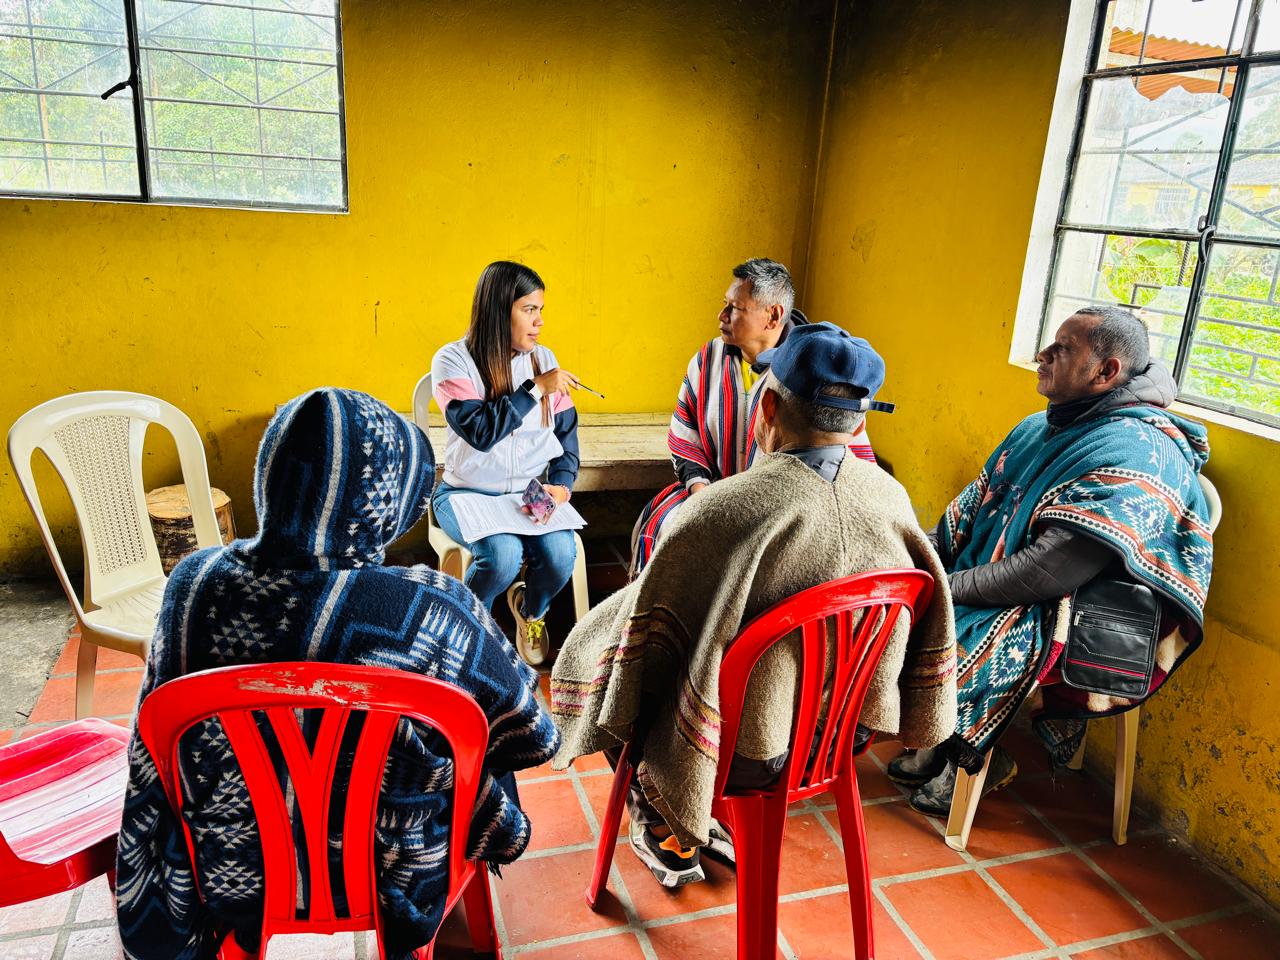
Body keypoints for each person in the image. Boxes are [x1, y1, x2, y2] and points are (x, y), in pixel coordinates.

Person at [115, 388, 560, 960]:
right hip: (391, 876)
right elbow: (532, 735)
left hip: (232, 872)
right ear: (386, 504)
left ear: (269, 477)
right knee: (480, 747)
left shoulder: (193, 587)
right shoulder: (434, 608)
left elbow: (155, 746)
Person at [552, 323, 957, 887]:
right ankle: (697, 815)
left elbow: (640, 635)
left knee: (613, 673)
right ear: (860, 422)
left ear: (765, 406)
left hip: (744, 752)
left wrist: (581, 649)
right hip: (836, 735)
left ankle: (668, 821)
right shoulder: (891, 498)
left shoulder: (722, 511)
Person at [888, 306, 1215, 815]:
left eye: (1062, 350)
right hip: (1023, 578)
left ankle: (972, 756)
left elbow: (1047, 570)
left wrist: (941, 587)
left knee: (955, 629)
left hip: (1076, 607)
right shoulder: (1038, 426)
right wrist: (917, 559)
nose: (1043, 355)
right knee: (894, 598)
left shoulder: (1138, 451)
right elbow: (976, 505)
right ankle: (939, 737)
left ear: (1106, 372)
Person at [631, 258, 878, 573]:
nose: (721, 316)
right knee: (668, 532)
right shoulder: (707, 359)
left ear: (772, 315)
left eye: (735, 308)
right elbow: (685, 433)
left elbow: (841, 454)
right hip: (711, 490)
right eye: (725, 304)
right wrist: (701, 491)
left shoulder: (808, 371)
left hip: (781, 508)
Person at [430, 261, 581, 665]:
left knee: (561, 555)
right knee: (501, 558)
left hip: (526, 494)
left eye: (540, 310)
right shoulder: (452, 360)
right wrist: (534, 389)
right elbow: (480, 431)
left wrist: (562, 484)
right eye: (530, 309)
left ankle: (531, 612)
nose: (540, 321)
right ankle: (465, 631)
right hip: (464, 493)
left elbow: (566, 432)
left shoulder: (543, 357)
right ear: (501, 309)